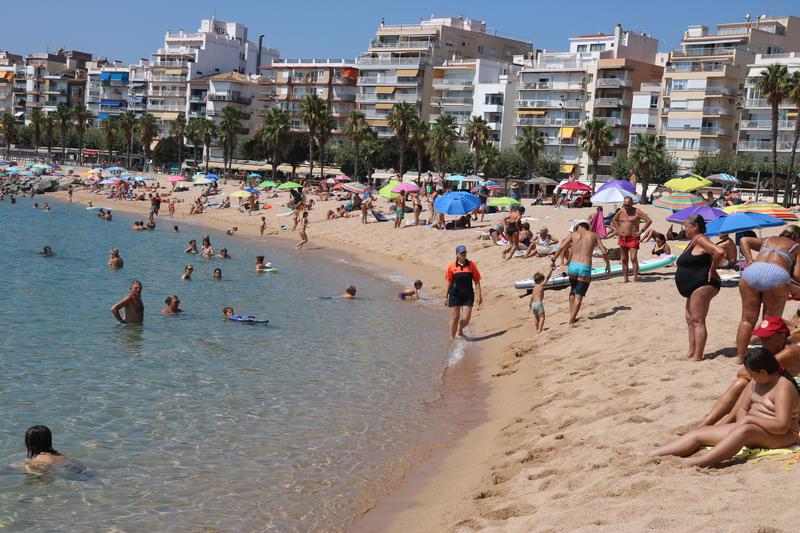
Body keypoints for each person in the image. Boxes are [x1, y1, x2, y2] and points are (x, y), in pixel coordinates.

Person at [649, 347, 800, 468]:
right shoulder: (756, 382)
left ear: (763, 372)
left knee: (745, 431)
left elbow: (781, 426)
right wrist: (743, 421)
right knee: (699, 433)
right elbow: (743, 408)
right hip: (749, 427)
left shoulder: (783, 387)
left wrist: (748, 421)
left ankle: (698, 462)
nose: (749, 377)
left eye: (752, 374)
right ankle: (651, 454)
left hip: (783, 435)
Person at [696, 317, 795, 427]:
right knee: (742, 382)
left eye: (768, 339)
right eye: (761, 338)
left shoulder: (790, 351)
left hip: (792, 395)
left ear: (782, 335)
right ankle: (708, 423)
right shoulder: (771, 349)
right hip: (779, 390)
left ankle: (722, 423)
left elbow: (746, 371)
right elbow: (743, 372)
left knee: (747, 382)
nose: (764, 342)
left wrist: (751, 373)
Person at [737, 225, 800, 362]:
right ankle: (767, 358)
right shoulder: (796, 246)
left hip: (752, 272)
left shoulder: (768, 239)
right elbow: (796, 275)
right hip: (777, 275)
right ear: (797, 237)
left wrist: (749, 259)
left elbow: (744, 240)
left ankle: (740, 357)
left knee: (747, 319)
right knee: (770, 322)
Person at [674, 215, 723, 361]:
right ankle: (691, 351)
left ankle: (698, 355)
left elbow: (719, 252)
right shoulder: (694, 241)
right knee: (690, 319)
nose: (684, 228)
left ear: (695, 226)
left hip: (703, 284)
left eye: (686, 225)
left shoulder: (701, 239)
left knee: (697, 320)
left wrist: (713, 270)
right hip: (693, 285)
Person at [552, 221, 610, 326]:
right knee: (579, 296)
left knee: (572, 291)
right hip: (585, 266)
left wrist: (553, 260)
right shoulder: (594, 235)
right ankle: (571, 321)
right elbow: (604, 252)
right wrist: (608, 265)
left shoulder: (573, 234)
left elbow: (561, 248)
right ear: (587, 227)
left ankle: (572, 315)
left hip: (573, 266)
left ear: (578, 226)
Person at [611, 196, 653, 283]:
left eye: (627, 205)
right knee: (624, 259)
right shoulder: (621, 211)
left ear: (632, 203)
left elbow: (648, 220)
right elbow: (614, 219)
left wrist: (641, 231)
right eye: (624, 205)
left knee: (633, 258)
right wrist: (618, 229)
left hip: (633, 238)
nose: (626, 207)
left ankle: (635, 278)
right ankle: (625, 278)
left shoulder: (637, 211)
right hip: (622, 238)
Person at [446, 245, 483, 338]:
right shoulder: (451, 266)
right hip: (455, 294)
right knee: (455, 318)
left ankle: (460, 329)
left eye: (464, 252)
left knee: (466, 319)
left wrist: (479, 295)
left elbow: (477, 281)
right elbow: (449, 282)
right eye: (461, 253)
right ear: (457, 254)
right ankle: (452, 338)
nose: (463, 254)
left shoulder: (472, 265)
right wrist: (446, 296)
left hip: (467, 295)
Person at [530, 265, 555, 333]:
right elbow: (547, 278)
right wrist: (551, 270)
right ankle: (540, 330)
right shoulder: (540, 285)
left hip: (533, 304)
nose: (544, 280)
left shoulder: (534, 288)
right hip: (538, 304)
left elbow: (531, 297)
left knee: (536, 318)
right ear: (540, 280)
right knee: (542, 318)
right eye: (543, 279)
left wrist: (530, 305)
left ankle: (537, 329)